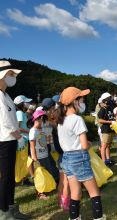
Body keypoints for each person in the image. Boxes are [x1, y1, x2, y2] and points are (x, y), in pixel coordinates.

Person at [55, 87, 106, 220]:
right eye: (82, 99)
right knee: (94, 192)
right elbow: (84, 145)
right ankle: (99, 217)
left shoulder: (61, 121)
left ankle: (74, 217)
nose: (83, 102)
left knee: (75, 192)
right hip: (79, 157)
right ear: (74, 101)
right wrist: (89, 144)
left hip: (67, 159)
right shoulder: (77, 119)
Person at [0, 60, 30, 219]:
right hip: (4, 141)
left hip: (10, 140)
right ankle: (3, 211)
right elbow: (6, 122)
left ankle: (11, 207)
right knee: (5, 177)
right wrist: (19, 137)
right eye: (10, 74)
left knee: (10, 176)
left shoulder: (6, 95)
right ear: (3, 75)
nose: (13, 77)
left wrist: (17, 137)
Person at [29, 110, 59, 199]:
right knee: (39, 175)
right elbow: (32, 146)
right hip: (38, 157)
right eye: (43, 119)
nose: (44, 121)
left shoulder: (40, 129)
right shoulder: (33, 131)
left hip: (45, 155)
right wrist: (34, 158)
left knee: (47, 173)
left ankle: (48, 188)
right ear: (41, 118)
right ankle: (40, 193)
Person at [14, 95, 34, 185]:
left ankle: (23, 179)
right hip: (23, 140)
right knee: (24, 160)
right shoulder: (19, 113)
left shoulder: (22, 113)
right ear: (22, 104)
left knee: (25, 160)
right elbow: (17, 128)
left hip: (25, 139)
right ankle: (21, 179)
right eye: (26, 102)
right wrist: (29, 131)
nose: (28, 104)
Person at [98, 92, 116, 167]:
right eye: (108, 99)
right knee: (104, 146)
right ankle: (104, 161)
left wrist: (114, 120)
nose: (110, 100)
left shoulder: (109, 108)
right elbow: (100, 120)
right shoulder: (102, 109)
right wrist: (110, 121)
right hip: (105, 130)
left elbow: (111, 117)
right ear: (104, 100)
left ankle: (108, 160)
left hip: (111, 129)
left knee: (108, 145)